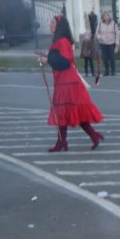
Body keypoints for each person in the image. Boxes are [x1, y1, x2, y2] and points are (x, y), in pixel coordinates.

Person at [38, 14, 104, 152]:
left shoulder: (61, 41)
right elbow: (59, 59)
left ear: (59, 26)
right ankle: (89, 136)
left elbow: (64, 62)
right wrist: (48, 57)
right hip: (65, 81)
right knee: (68, 111)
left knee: (63, 110)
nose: (50, 25)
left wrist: (48, 59)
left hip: (67, 82)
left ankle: (63, 142)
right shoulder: (60, 41)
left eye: (52, 22)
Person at [96, 11, 120, 76]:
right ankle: (106, 71)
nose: (106, 17)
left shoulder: (113, 23)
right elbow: (97, 32)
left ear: (109, 16)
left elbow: (117, 34)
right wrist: (100, 37)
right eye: (104, 16)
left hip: (111, 42)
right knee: (105, 58)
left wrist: (117, 44)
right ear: (103, 17)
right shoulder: (100, 23)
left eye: (107, 16)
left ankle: (113, 71)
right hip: (103, 43)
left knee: (112, 57)